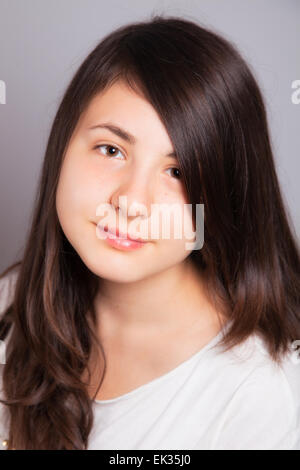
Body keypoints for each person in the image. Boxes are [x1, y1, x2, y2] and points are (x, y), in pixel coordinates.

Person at [0, 14, 299, 450]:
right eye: (111, 149)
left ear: (224, 201)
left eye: (177, 171)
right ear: (62, 144)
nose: (132, 201)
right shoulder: (12, 301)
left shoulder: (259, 393)